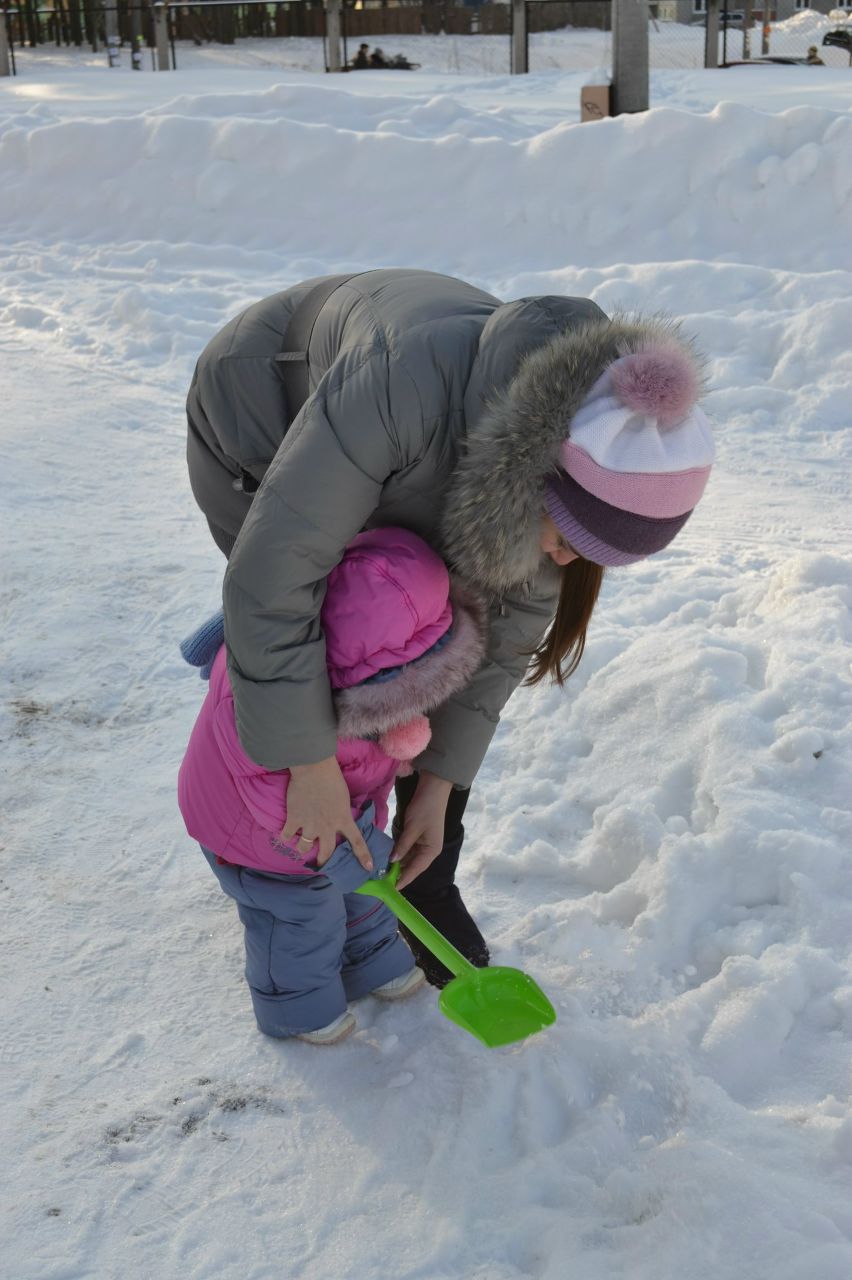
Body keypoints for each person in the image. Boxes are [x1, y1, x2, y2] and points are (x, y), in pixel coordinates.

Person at [185, 268, 715, 988]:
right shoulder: (401, 392)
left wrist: (438, 788)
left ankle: (411, 873)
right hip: (260, 405)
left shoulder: (578, 455)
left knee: (411, 635)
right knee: (341, 636)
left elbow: (500, 640)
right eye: (565, 538)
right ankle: (282, 859)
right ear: (538, 475)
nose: (563, 560)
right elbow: (273, 584)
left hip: (422, 451)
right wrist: (307, 765)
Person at [178, 526, 488, 1042]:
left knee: (366, 889)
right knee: (302, 916)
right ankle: (297, 1006)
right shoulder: (259, 696)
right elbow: (276, 798)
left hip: (339, 821)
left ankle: (371, 963)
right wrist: (353, 848)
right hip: (256, 833)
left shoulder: (364, 688)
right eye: (394, 693)